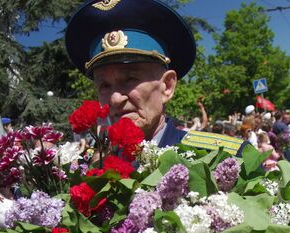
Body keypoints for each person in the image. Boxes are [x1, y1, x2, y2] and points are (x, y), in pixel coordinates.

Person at [65, 0, 196, 148]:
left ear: (167, 86)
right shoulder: (93, 165)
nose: (115, 99)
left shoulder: (213, 159)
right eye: (104, 85)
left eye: (130, 79)